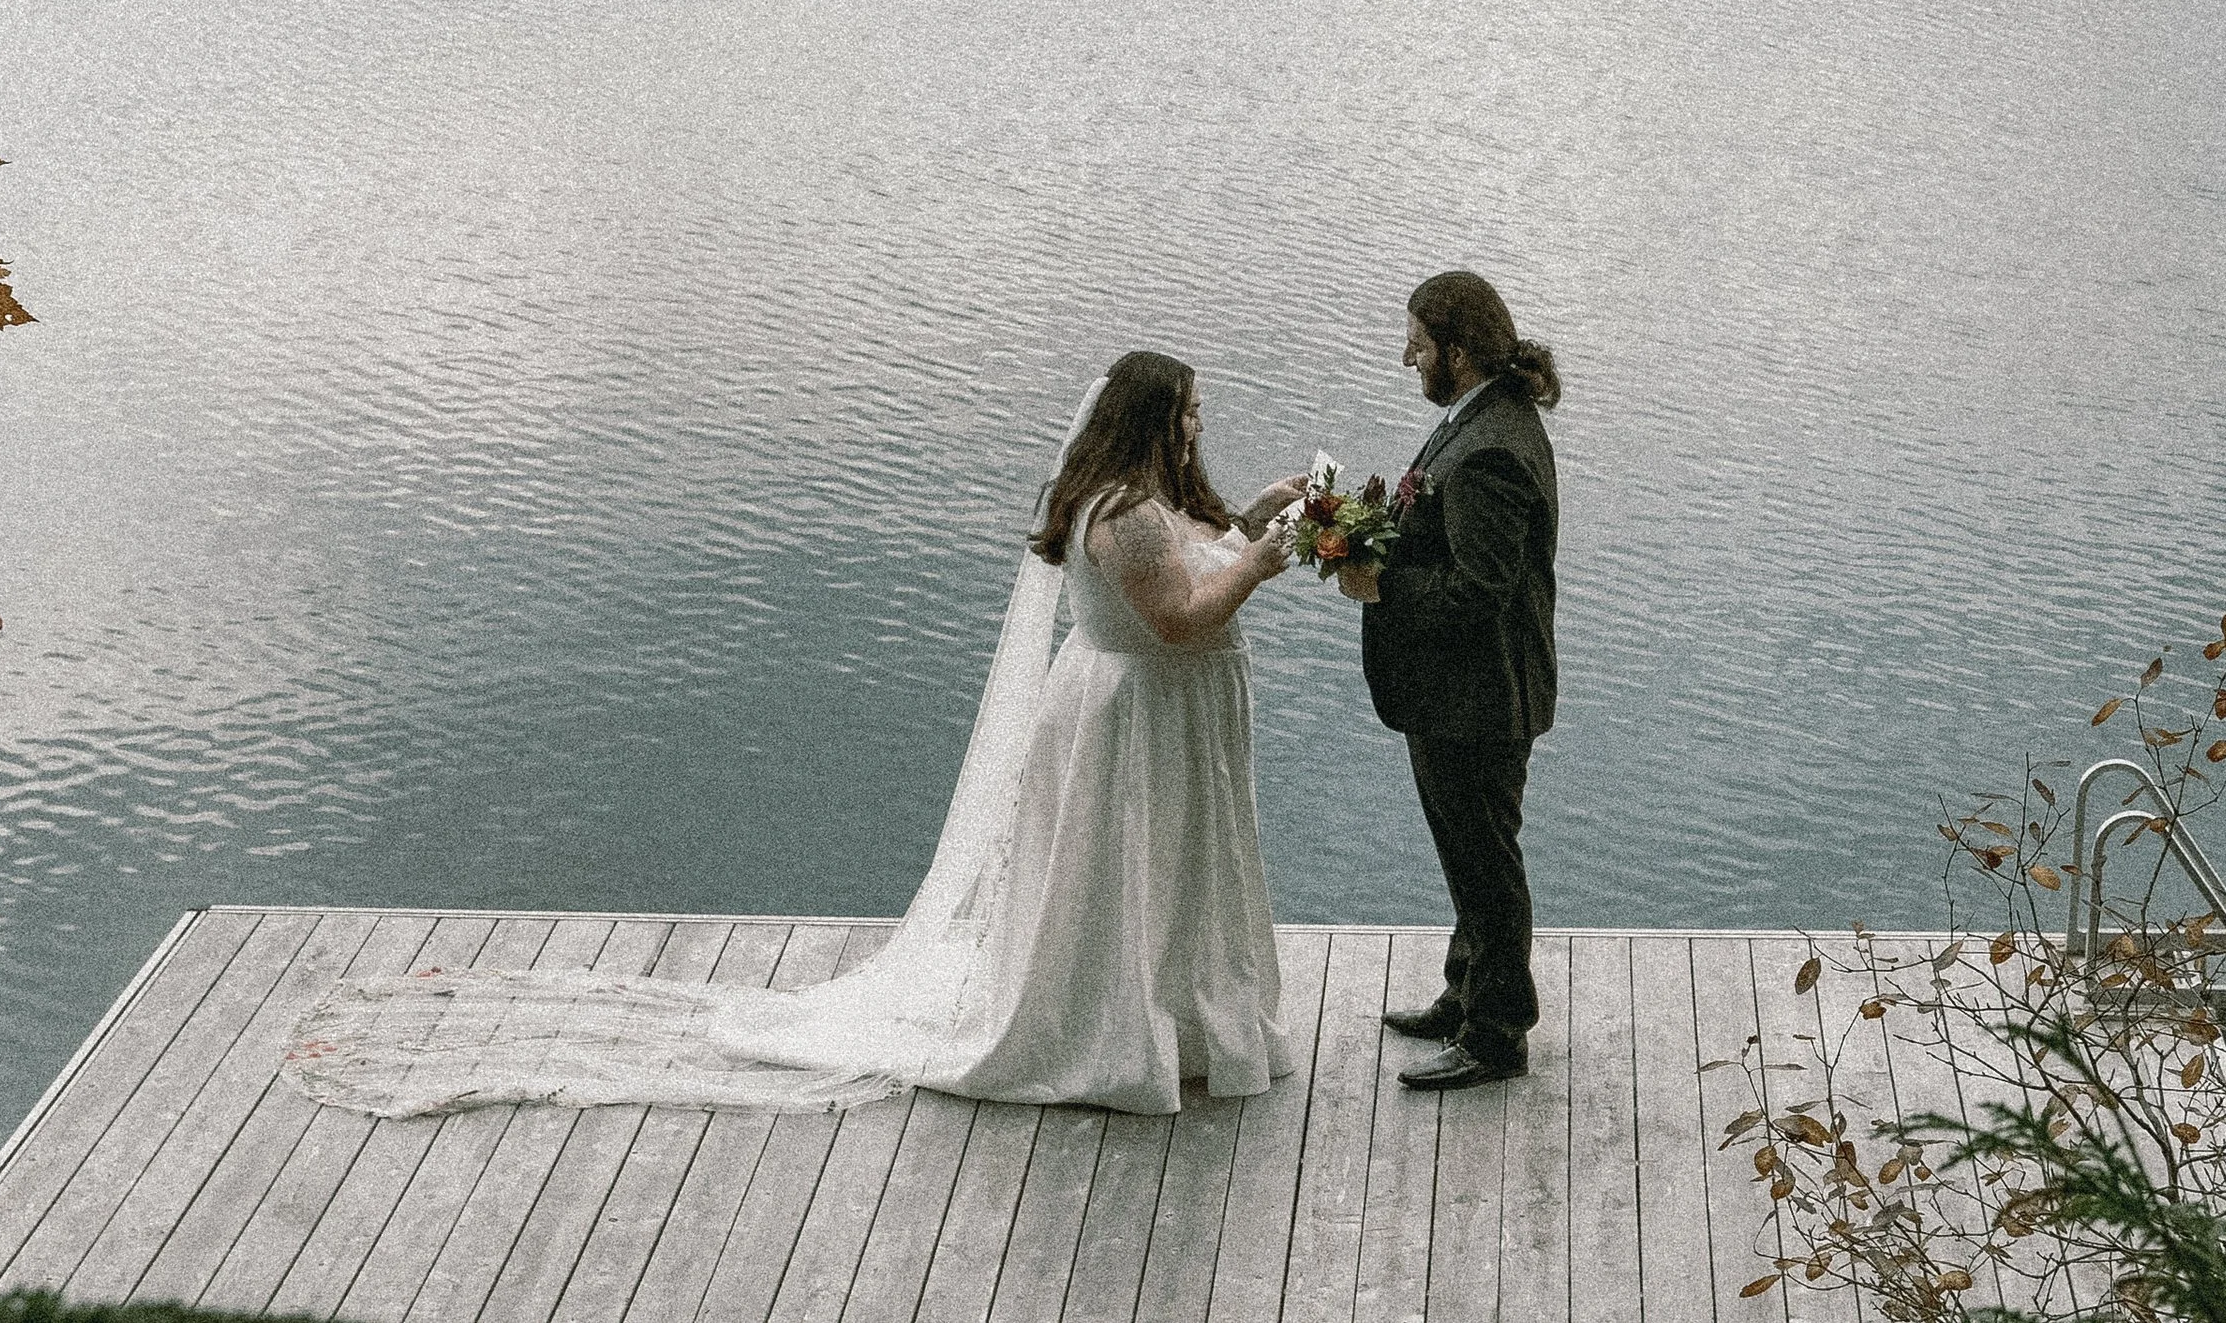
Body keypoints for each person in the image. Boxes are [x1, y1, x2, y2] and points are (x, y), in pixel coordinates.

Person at [284, 355, 1305, 1122]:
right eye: (1188, 416)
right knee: (1130, 868)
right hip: (1137, 722)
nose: (1198, 428)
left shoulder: (1135, 499)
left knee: (1150, 872)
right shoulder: (1124, 516)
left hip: (1148, 716)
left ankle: (1160, 1010)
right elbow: (1176, 617)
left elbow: (1185, 560)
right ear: (1149, 422)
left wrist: (1249, 521)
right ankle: (1119, 1026)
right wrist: (1259, 561)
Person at [1341, 267, 1559, 1090]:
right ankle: (1467, 993)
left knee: (1485, 863)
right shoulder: (1484, 417)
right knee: (1466, 852)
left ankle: (1498, 1035)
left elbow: (1479, 590)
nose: (1408, 358)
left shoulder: (1493, 451)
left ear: (1457, 353)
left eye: (1419, 343)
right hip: (1458, 693)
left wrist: (1380, 582)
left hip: (1480, 697)